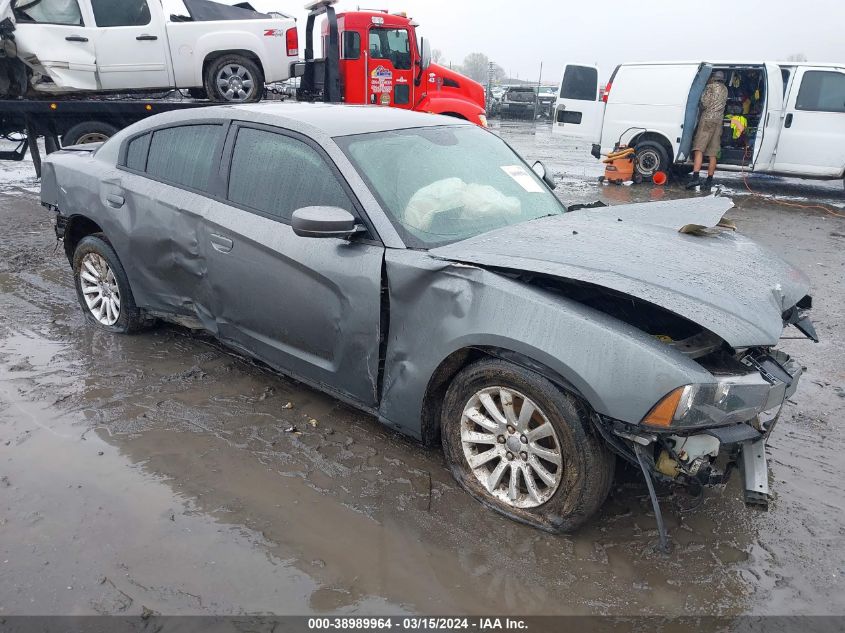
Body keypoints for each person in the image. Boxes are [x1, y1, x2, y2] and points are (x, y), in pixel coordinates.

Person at [687, 70, 729, 190]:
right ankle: (709, 181)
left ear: (713, 78)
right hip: (718, 122)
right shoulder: (725, 89)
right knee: (712, 153)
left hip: (707, 120)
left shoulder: (709, 87)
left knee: (699, 149)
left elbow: (704, 103)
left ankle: (695, 178)